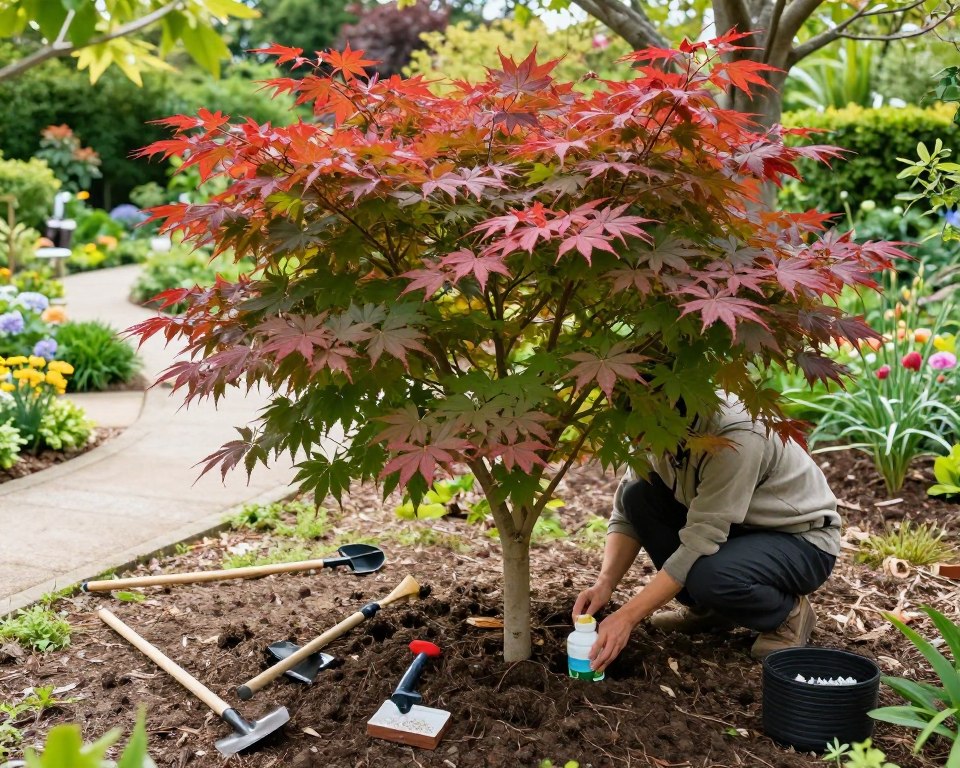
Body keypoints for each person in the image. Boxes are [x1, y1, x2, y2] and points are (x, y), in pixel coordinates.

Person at [572, 393, 840, 673]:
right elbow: (627, 514)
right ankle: (710, 612)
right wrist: (604, 584)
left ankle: (787, 616)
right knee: (638, 495)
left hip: (799, 540)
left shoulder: (737, 436)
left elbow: (700, 541)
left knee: (707, 574)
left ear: (671, 415)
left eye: (644, 435)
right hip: (733, 528)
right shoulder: (648, 420)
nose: (639, 443)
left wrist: (627, 617)